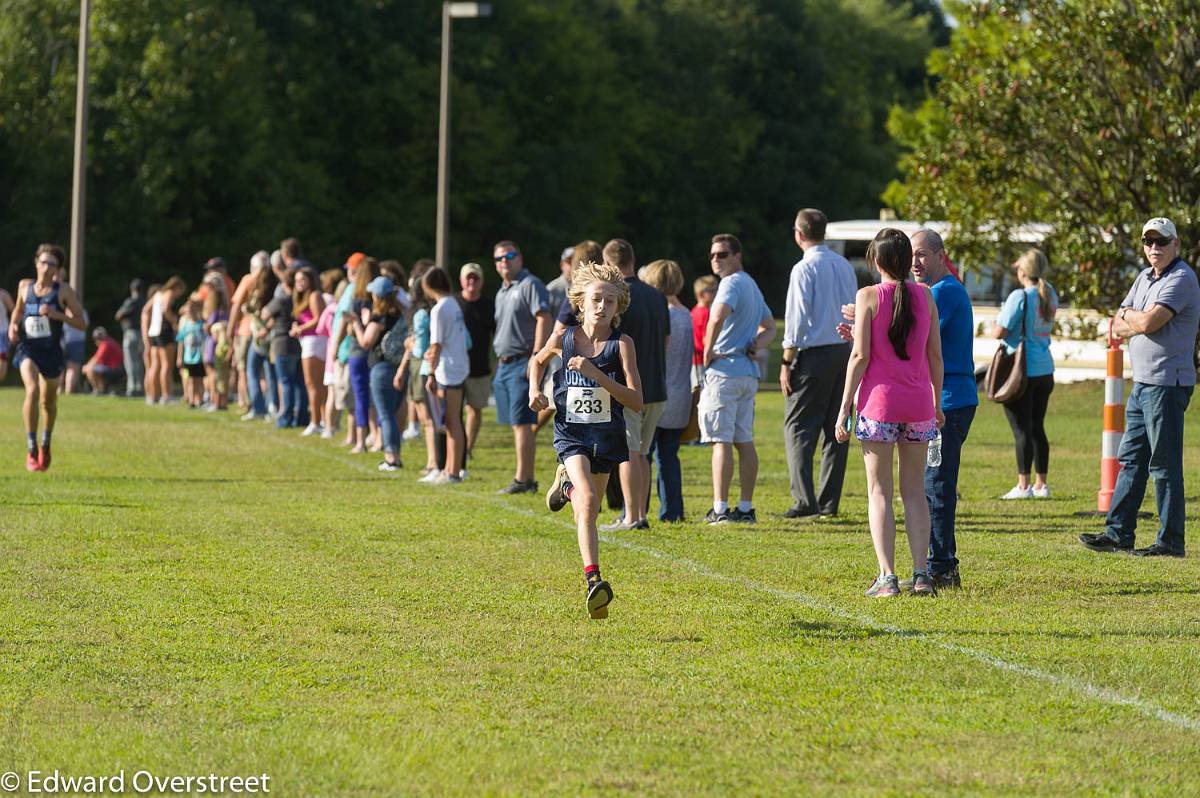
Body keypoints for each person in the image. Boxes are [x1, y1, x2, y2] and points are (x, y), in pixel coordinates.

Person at [1080, 217, 1200, 558]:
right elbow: (1117, 323)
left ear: (1175, 244)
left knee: (1163, 464)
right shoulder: (1145, 277)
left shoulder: (1182, 279)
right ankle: (1119, 533)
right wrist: (1135, 319)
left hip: (1167, 384)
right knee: (1131, 460)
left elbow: (1147, 321)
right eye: (1148, 242)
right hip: (1143, 383)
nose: (1154, 248)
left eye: (1161, 242)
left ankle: (1171, 541)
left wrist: (1134, 318)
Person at [530, 260, 643, 619]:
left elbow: (636, 401)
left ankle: (565, 490)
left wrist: (597, 375)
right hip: (571, 434)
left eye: (610, 301)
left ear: (618, 306)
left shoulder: (622, 345)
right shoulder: (564, 338)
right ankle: (594, 580)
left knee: (585, 509)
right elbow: (536, 361)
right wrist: (535, 390)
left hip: (605, 437)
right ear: (581, 301)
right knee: (591, 499)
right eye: (596, 299)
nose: (602, 307)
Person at [835, 228, 943, 598]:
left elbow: (861, 356)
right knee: (914, 493)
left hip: (878, 407)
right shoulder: (926, 295)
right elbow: (933, 356)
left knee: (879, 491)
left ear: (877, 261)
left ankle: (887, 577)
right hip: (918, 406)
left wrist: (844, 405)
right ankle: (921, 575)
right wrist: (938, 402)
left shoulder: (867, 295)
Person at [583, 240, 669, 532]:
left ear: (608, 264)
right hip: (657, 384)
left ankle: (632, 516)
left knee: (629, 452)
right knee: (642, 452)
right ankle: (640, 513)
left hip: (629, 388)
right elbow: (666, 340)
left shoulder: (617, 298)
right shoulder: (658, 296)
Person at [779, 208, 858, 519]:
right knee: (835, 427)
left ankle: (804, 499)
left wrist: (786, 359)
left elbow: (796, 319)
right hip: (844, 350)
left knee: (798, 426)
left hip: (814, 353)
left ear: (799, 235)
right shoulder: (843, 265)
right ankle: (828, 501)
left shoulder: (804, 268)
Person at [699, 234, 776, 523]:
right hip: (746, 372)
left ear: (737, 256)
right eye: (712, 255)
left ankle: (720, 509)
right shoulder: (751, 284)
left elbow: (717, 316)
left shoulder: (730, 283)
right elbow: (769, 327)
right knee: (744, 441)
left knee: (720, 440)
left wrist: (707, 352)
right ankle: (745, 508)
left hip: (725, 373)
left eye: (722, 254)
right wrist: (757, 344)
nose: (716, 260)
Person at [8, 245, 87, 470]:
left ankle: (45, 442)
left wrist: (57, 314)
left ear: (58, 269)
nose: (46, 267)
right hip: (28, 349)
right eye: (43, 262)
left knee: (48, 402)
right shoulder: (25, 286)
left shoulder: (63, 292)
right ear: (36, 263)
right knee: (32, 390)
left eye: (51, 264)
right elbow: (18, 311)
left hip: (51, 352)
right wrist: (14, 326)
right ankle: (31, 447)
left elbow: (81, 323)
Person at [991, 248, 1058, 499]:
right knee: (1038, 426)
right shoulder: (1050, 294)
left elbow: (1000, 331)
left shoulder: (1019, 296)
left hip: (1022, 370)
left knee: (1021, 429)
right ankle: (1042, 485)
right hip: (1045, 368)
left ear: (1022, 271)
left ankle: (1023, 485)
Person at [492, 240, 552, 494]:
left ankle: (524, 480)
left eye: (509, 256)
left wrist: (536, 356)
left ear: (520, 258)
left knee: (523, 424)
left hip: (522, 362)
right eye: (499, 258)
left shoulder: (530, 284)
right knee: (516, 423)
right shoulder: (502, 290)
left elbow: (544, 317)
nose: (504, 261)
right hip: (504, 364)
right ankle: (523, 478)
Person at [640, 259, 692, 522]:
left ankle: (639, 507)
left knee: (643, 456)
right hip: (681, 394)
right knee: (669, 457)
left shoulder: (664, 314)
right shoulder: (687, 314)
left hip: (659, 392)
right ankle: (673, 511)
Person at [348, 275, 406, 471]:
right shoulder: (400, 314)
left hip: (381, 368)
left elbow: (365, 342)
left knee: (386, 414)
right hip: (400, 367)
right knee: (392, 412)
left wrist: (357, 324)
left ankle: (392, 457)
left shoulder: (378, 316)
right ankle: (395, 453)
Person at [424, 267, 470, 484]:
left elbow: (436, 345)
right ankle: (450, 469)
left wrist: (430, 373)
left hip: (448, 370)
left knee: (452, 422)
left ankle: (452, 471)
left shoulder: (439, 309)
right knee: (454, 422)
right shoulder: (453, 303)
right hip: (459, 366)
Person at [457, 262, 495, 460]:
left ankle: (468, 449)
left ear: (481, 281)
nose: (471, 281)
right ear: (461, 280)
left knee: (475, 409)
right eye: (468, 277)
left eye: (476, 278)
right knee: (455, 413)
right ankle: (457, 447)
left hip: (479, 367)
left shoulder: (489, 306)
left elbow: (496, 336)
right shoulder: (453, 303)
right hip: (455, 368)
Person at [226, 251, 269, 416]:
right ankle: (268, 404)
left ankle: (250, 404)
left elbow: (237, 305)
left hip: (246, 330)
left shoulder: (248, 280)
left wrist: (230, 330)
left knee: (246, 370)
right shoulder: (271, 281)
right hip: (265, 331)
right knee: (265, 372)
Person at [262, 272, 307, 428]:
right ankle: (302, 417)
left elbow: (264, 312)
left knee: (286, 382)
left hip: (282, 343)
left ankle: (285, 418)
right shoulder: (299, 300)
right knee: (299, 382)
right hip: (296, 344)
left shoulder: (281, 299)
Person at [289, 266, 327, 435]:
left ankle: (316, 422)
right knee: (315, 384)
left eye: (302, 280)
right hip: (308, 341)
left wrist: (301, 329)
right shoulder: (302, 297)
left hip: (314, 341)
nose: (299, 283)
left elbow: (319, 319)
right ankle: (323, 420)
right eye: (296, 280)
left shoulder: (314, 295)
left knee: (313, 384)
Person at [146, 276, 186, 405]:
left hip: (154, 331)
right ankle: (166, 395)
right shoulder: (169, 294)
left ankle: (152, 396)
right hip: (164, 330)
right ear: (176, 287)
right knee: (166, 365)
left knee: (155, 365)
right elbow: (166, 310)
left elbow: (146, 310)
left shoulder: (157, 294)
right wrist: (174, 321)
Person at [114, 279, 146, 396]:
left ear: (132, 289)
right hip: (143, 334)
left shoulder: (131, 301)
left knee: (131, 361)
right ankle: (141, 386)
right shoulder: (145, 301)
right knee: (140, 362)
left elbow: (118, 315)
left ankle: (132, 388)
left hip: (131, 333)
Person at [176, 297, 207, 408]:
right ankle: (191, 400)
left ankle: (200, 399)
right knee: (190, 379)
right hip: (188, 357)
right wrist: (179, 357)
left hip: (199, 357)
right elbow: (180, 342)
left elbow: (205, 340)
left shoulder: (201, 325)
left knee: (199, 379)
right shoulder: (185, 325)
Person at [690, 275, 717, 387]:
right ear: (701, 294)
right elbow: (707, 339)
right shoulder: (706, 313)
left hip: (695, 361)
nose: (716, 293)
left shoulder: (693, 311)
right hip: (703, 360)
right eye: (712, 291)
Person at [59, 298, 88, 395]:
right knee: (73, 369)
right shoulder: (82, 312)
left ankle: (58, 390)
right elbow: (85, 325)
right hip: (77, 342)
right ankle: (68, 391)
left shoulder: (62, 312)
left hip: (63, 342)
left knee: (60, 369)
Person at [83, 327, 124, 394]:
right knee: (92, 369)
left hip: (115, 369)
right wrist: (88, 365)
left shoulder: (105, 344)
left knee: (91, 370)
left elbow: (97, 359)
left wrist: (87, 367)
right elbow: (96, 357)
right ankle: (101, 390)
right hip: (117, 368)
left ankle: (98, 391)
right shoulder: (108, 341)